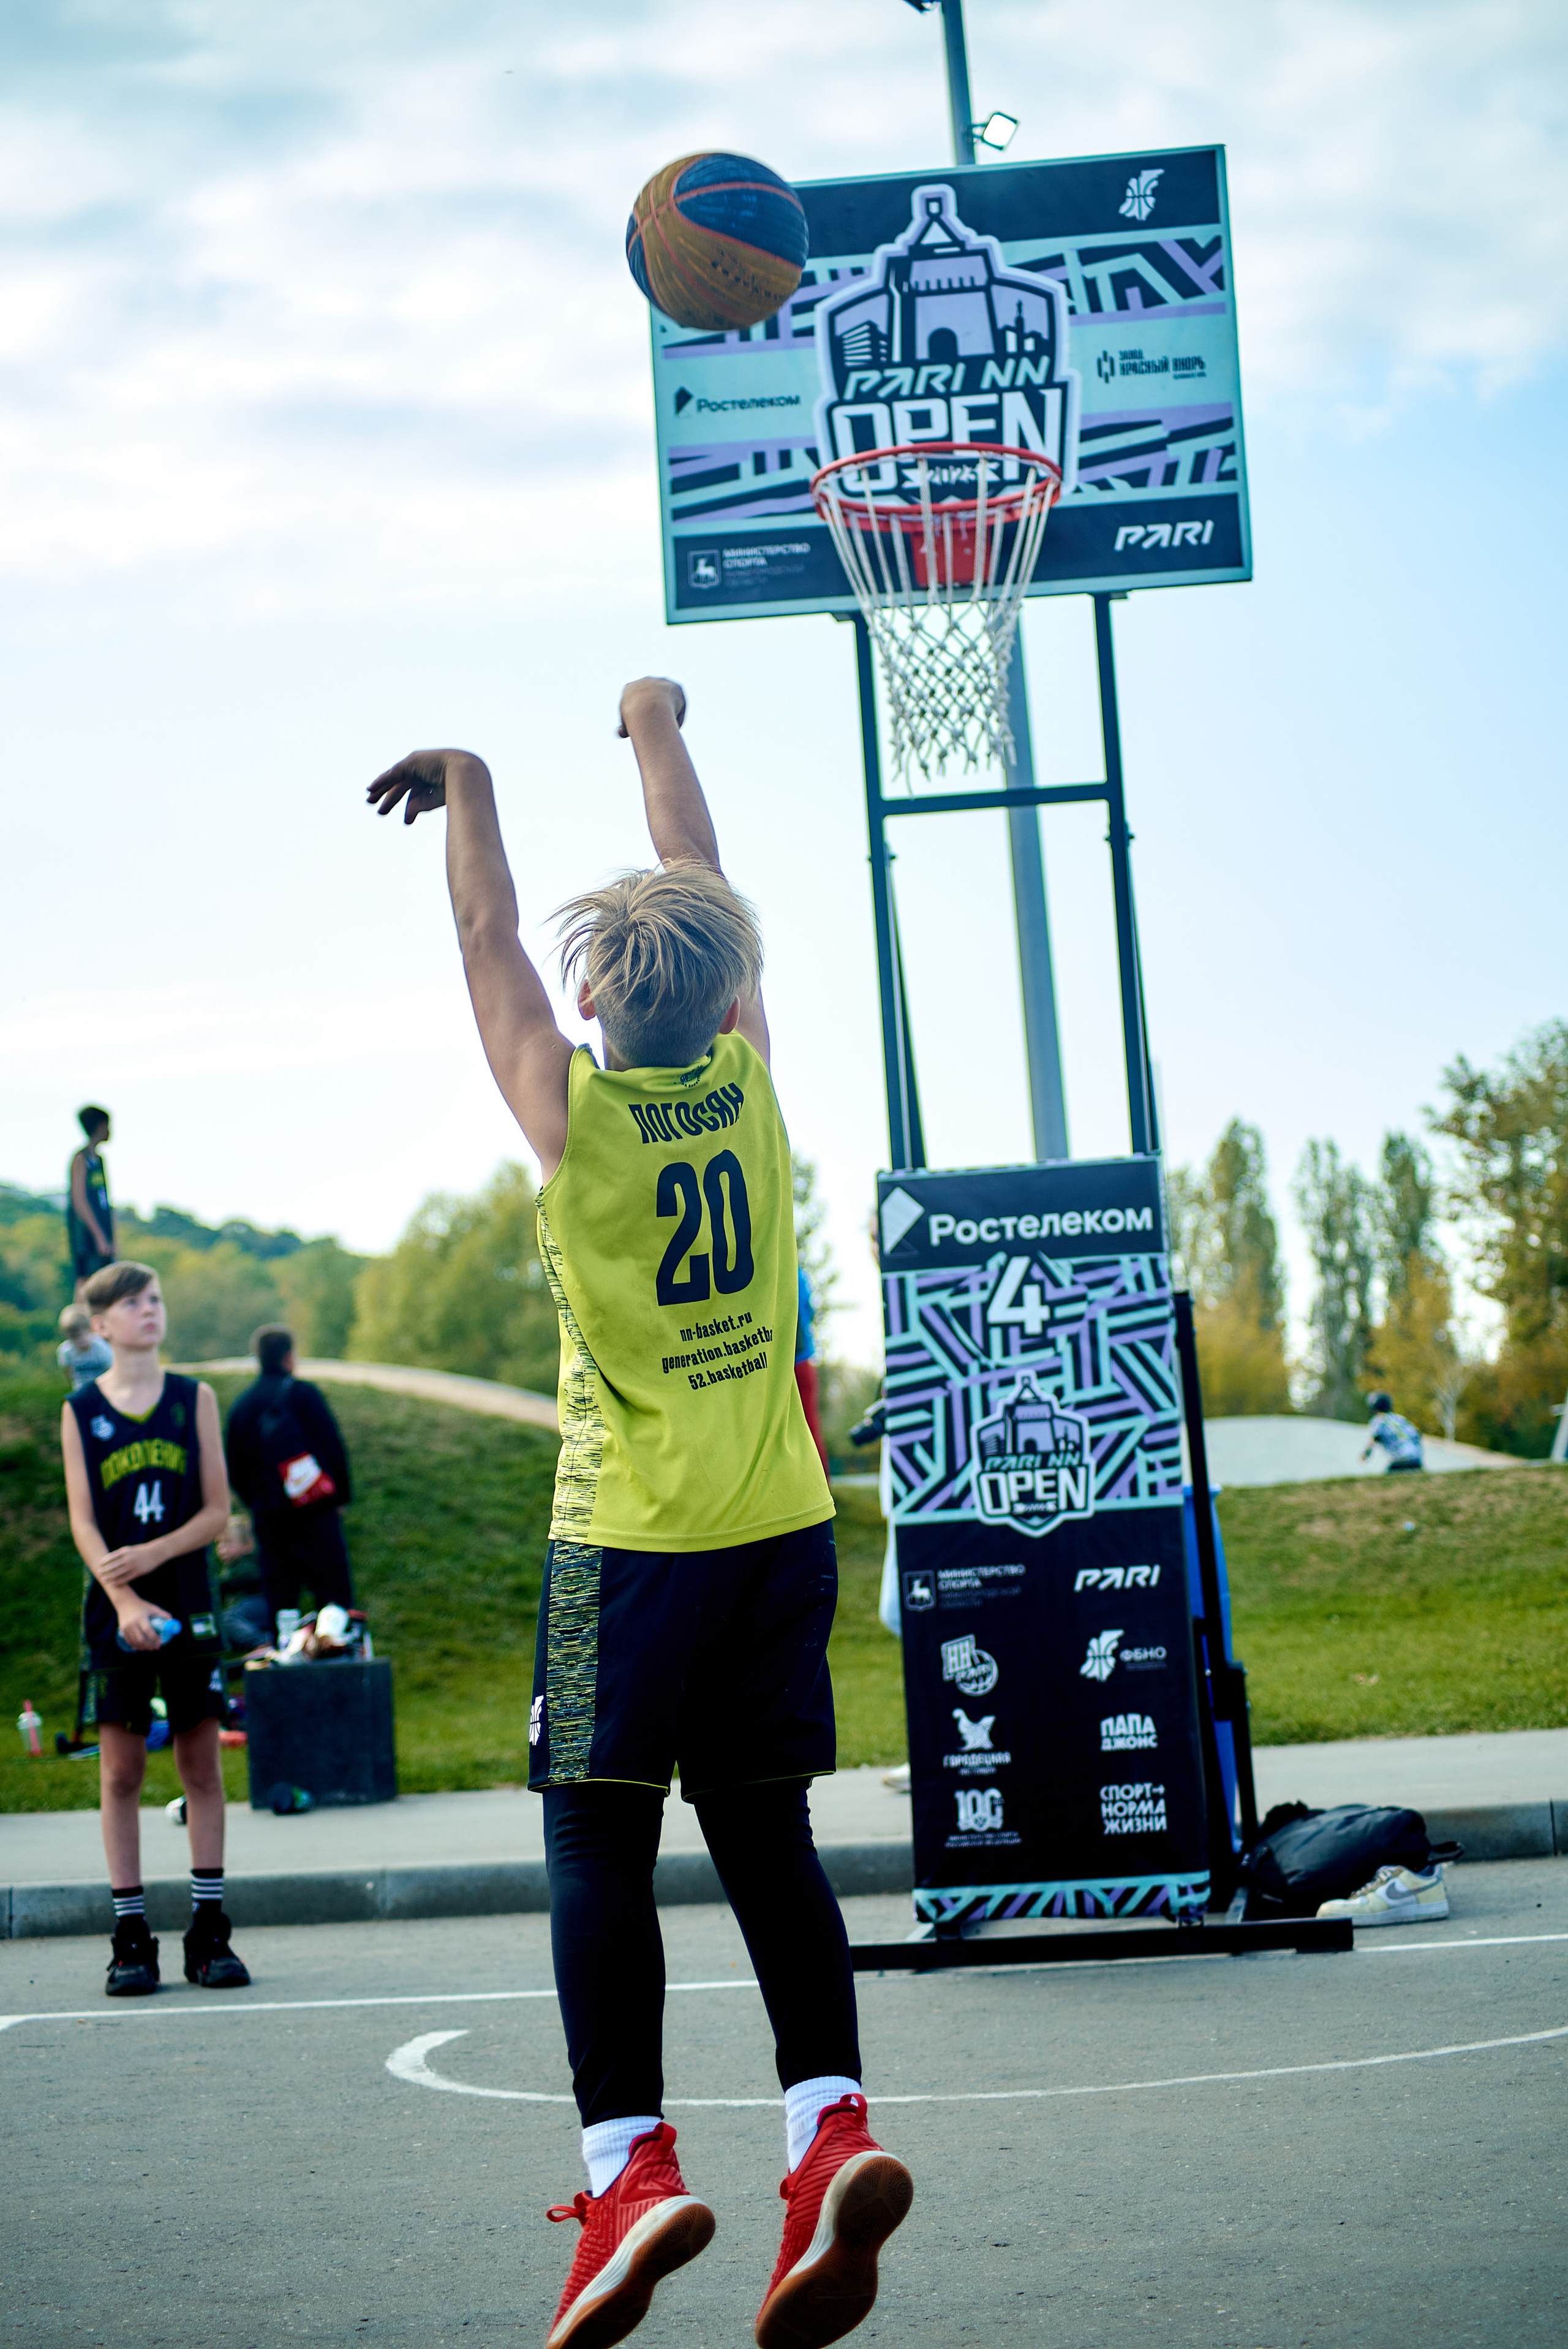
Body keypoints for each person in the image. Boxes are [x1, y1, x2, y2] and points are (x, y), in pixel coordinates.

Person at [366, 679, 912, 2349]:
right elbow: (701, 856)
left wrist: (468, 782)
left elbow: (485, 947)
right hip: (779, 1532)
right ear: (731, 987)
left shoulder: (577, 1126)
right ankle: (830, 2131)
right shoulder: (751, 1089)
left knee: (598, 1834)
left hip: (628, 1552)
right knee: (768, 1835)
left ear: (600, 1004)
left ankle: (629, 2166)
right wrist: (652, 723)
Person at [59, 1260, 251, 1997]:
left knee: (201, 1768)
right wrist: (127, 1601)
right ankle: (130, 1935)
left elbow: (214, 1512)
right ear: (101, 1324)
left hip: (189, 1599)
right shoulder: (81, 1411)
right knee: (121, 1773)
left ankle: (209, 1931)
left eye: (156, 1300)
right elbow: (82, 1519)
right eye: (133, 1303)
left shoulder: (192, 1398)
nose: (150, 1311)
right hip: (117, 1608)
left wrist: (160, 1556)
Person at [224, 1325, 355, 1639]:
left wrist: (256, 1503)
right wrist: (340, 1498)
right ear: (288, 1357)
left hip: (270, 1520)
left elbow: (235, 1468)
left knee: (282, 1602)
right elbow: (333, 1446)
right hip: (316, 1512)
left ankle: (286, 1664)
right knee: (334, 1596)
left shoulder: (242, 1407)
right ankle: (340, 1662)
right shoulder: (303, 1394)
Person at [66, 1105, 115, 1299]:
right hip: (85, 1234)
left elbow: (105, 1200)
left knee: (105, 1281)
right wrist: (99, 1236)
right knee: (85, 1281)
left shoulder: (100, 1160)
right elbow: (79, 1201)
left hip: (103, 1230)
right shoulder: (81, 1159)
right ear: (99, 1126)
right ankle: (79, 1326)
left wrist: (112, 1238)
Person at [793, 1264, 829, 1475]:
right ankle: (824, 1487)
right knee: (810, 1426)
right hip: (803, 1358)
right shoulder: (798, 1271)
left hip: (794, 1359)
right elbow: (809, 1309)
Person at [1362, 1390, 1425, 1474]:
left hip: (1399, 1459)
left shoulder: (1378, 1420)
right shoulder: (1400, 1419)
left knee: (1385, 1484)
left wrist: (1366, 1455)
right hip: (1416, 1458)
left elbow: (1373, 1440)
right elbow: (1418, 1434)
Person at [57, 1303, 113, 1393]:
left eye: (79, 1336)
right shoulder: (66, 1351)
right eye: (72, 1338)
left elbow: (111, 1369)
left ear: (89, 1330)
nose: (76, 1341)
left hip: (104, 1391)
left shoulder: (101, 1348)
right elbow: (67, 1371)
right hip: (81, 1391)